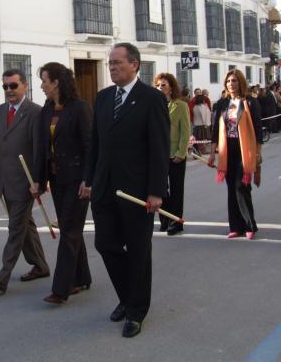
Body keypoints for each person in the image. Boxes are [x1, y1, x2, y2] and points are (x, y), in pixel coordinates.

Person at [83, 42, 169, 338]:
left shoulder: (151, 99)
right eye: (110, 63)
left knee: (138, 251)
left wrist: (156, 190)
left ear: (135, 64)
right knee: (105, 244)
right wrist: (88, 178)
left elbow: (159, 147)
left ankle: (136, 311)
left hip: (137, 191)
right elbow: (96, 143)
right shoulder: (104, 98)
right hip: (105, 187)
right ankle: (126, 296)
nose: (112, 67)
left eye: (118, 62)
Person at [32, 62, 92, 304]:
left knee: (68, 230)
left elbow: (90, 147)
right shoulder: (46, 110)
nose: (42, 86)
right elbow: (41, 148)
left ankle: (62, 288)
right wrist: (38, 179)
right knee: (72, 229)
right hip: (57, 179)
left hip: (78, 180)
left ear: (56, 82)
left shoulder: (80, 108)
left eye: (44, 81)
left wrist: (89, 180)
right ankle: (82, 276)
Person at [0, 69, 50, 294]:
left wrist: (38, 182)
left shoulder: (35, 112)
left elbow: (38, 150)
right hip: (5, 180)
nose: (9, 91)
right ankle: (41, 265)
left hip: (25, 182)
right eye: (5, 87)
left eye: (13, 86)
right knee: (25, 225)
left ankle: (3, 275)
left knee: (15, 227)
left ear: (24, 85)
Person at [208, 69, 262, 240]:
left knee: (242, 187)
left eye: (235, 81)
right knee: (232, 188)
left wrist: (258, 152)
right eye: (229, 81)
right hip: (227, 150)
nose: (231, 84)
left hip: (244, 149)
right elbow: (216, 130)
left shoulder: (250, 103)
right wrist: (212, 153)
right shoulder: (222, 104)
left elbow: (258, 130)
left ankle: (249, 225)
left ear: (241, 83)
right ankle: (235, 226)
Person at [154, 73, 190, 234]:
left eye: (163, 85)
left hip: (175, 154)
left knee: (176, 190)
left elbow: (185, 131)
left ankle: (176, 222)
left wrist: (181, 152)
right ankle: (165, 219)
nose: (160, 88)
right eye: (158, 85)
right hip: (158, 155)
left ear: (171, 87)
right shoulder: (154, 105)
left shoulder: (180, 105)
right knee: (160, 189)